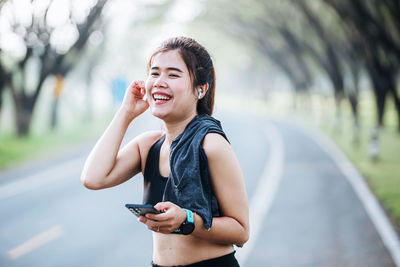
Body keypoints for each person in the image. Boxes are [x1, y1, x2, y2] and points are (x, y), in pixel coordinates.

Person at [80, 36, 249, 267]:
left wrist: (187, 220)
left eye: (173, 74)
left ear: (201, 89)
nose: (160, 81)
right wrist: (126, 113)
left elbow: (241, 231)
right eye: (155, 73)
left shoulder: (211, 145)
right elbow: (93, 178)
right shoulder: (148, 145)